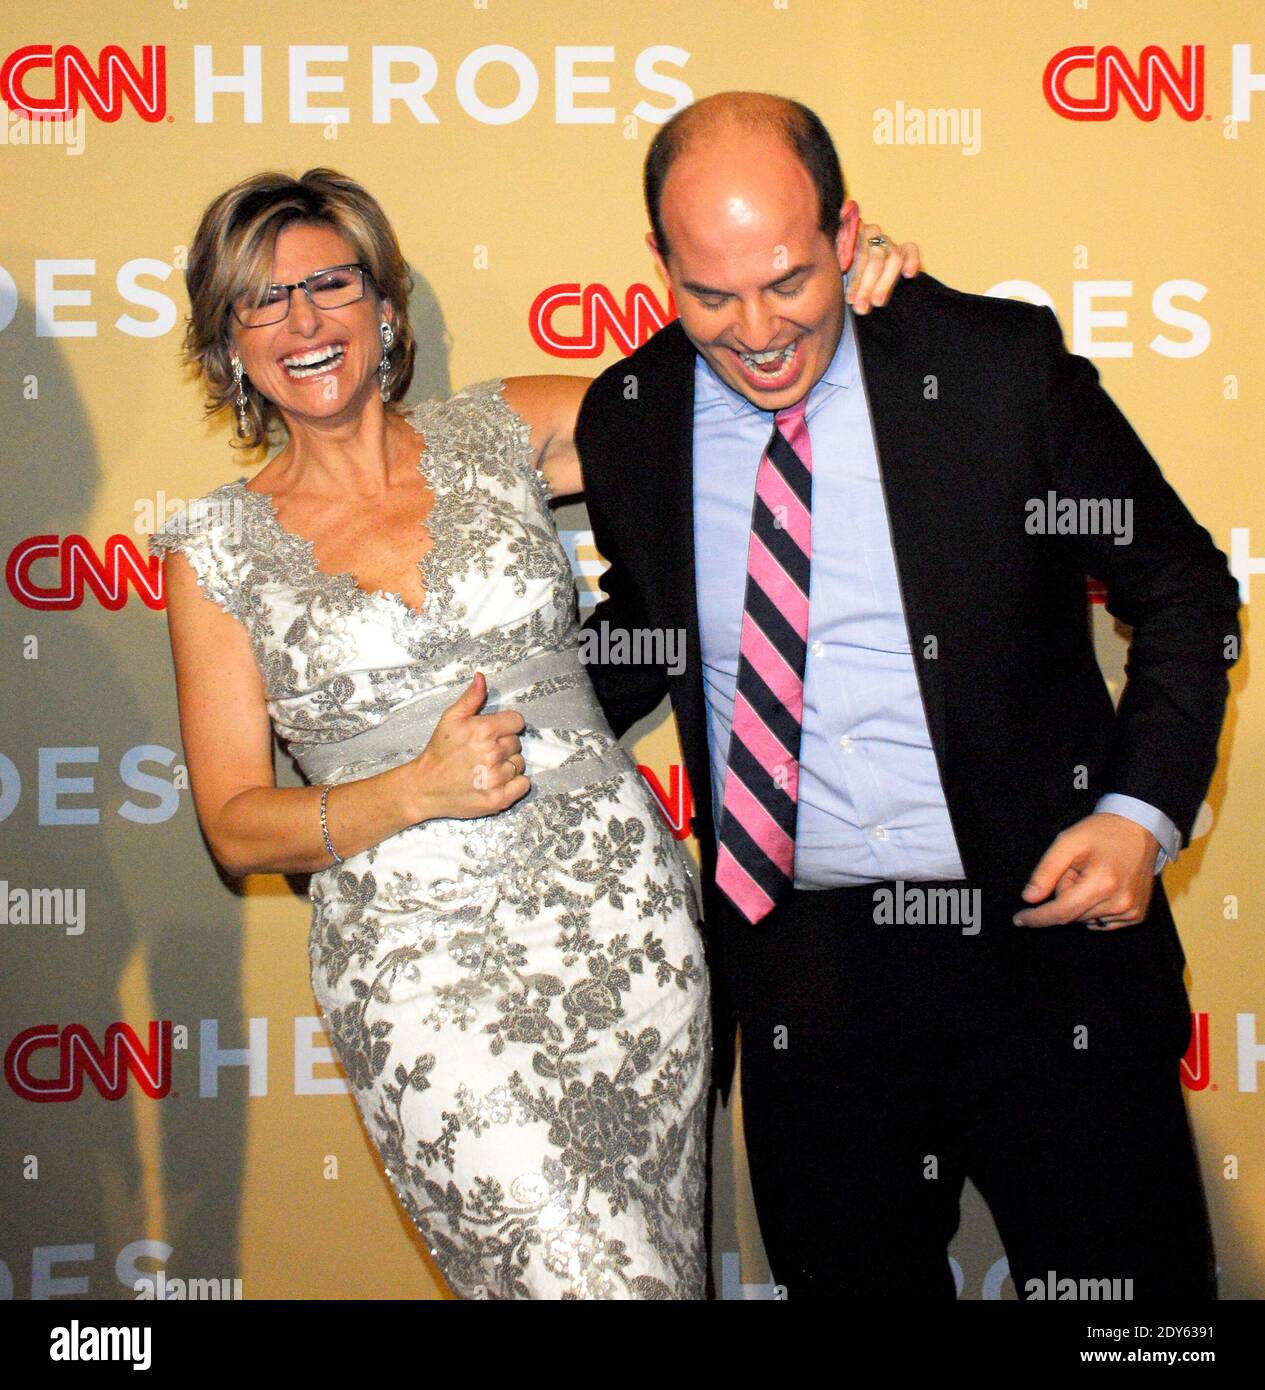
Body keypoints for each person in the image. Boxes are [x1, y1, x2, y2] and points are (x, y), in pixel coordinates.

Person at [149, 166, 915, 1299]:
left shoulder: (503, 427)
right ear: (228, 341)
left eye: (330, 283)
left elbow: (719, 391)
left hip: (627, 931)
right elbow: (235, 826)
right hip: (421, 975)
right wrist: (410, 790)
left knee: (656, 1266)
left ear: (386, 303)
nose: (303, 321)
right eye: (262, 300)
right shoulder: (211, 546)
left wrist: (819, 298)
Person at [573, 92, 1241, 1300]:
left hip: (1043, 937)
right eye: (710, 294)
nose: (756, 329)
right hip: (806, 981)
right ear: (658, 267)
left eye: (786, 278)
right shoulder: (629, 418)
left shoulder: (990, 370)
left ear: (846, 235)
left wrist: (1140, 813)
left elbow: (1183, 589)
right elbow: (642, 627)